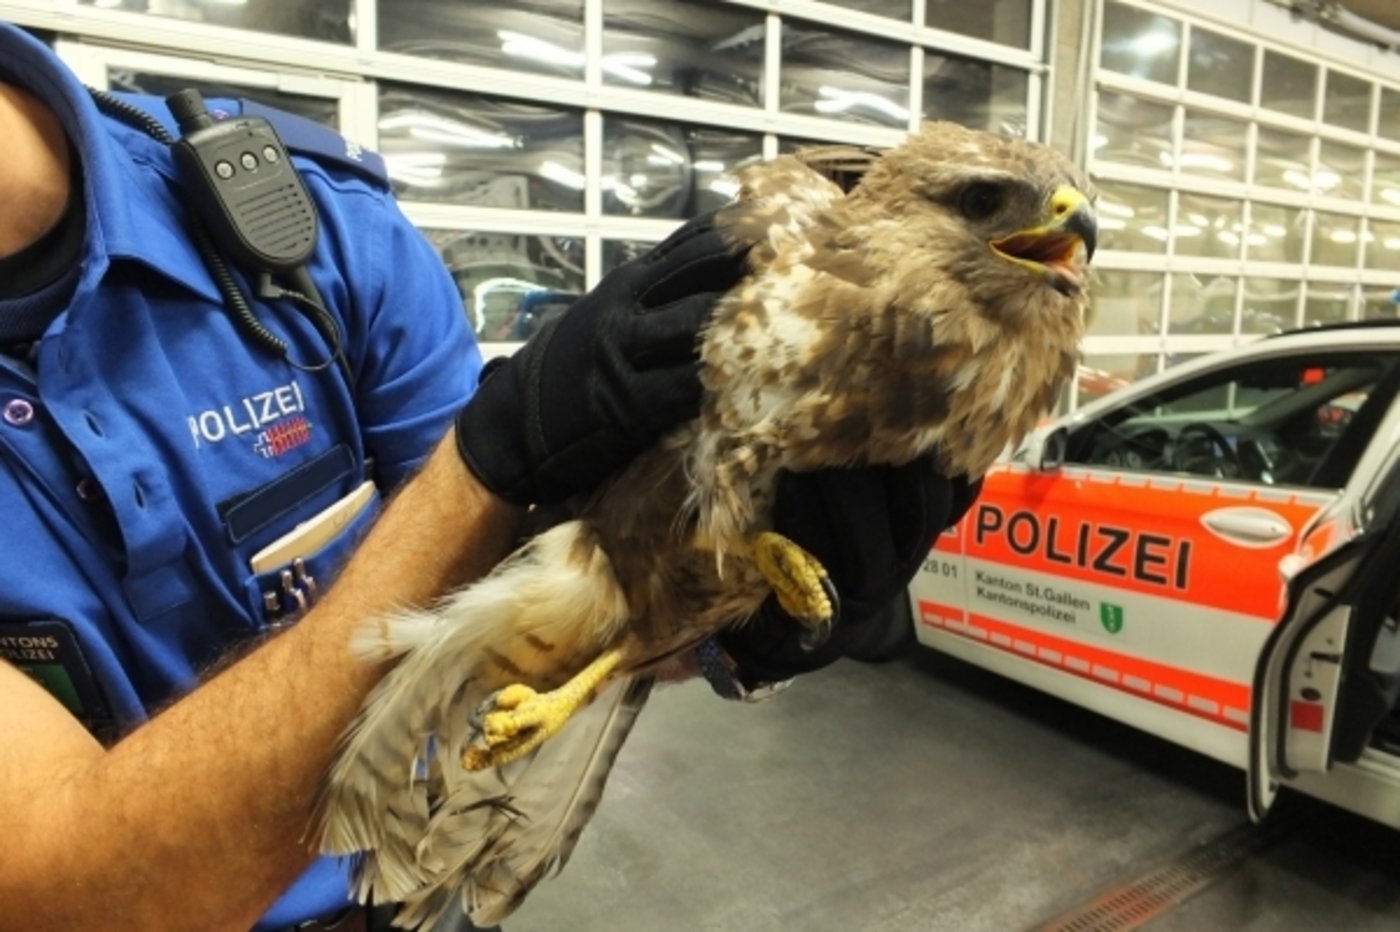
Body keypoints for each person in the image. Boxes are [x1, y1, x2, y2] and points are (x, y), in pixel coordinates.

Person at [0, 20, 978, 932]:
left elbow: (548, 590)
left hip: (407, 882)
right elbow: (72, 892)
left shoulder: (315, 234)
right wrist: (475, 472)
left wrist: (726, 621)